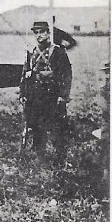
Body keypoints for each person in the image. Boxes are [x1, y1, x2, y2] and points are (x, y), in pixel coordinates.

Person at [19, 21, 73, 165]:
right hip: (36, 97)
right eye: (36, 33)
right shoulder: (32, 53)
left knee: (58, 128)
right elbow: (25, 75)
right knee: (37, 126)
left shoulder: (58, 52)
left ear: (49, 33)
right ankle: (39, 155)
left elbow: (66, 75)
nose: (39, 35)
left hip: (53, 96)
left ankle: (60, 157)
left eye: (42, 32)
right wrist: (23, 94)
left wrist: (63, 96)